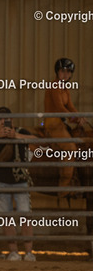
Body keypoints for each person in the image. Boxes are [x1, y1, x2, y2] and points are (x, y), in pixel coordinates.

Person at [0, 107, 37, 261]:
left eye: (6, 119)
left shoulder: (20, 131)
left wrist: (16, 136)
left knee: (25, 218)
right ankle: (14, 252)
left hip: (20, 181)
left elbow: (36, 140)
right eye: (0, 119)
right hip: (2, 182)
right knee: (6, 219)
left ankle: (29, 252)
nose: (3, 122)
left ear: (12, 120)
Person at [44, 58, 84, 193]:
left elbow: (70, 107)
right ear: (57, 72)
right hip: (52, 123)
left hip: (60, 122)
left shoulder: (65, 89)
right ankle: (64, 188)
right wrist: (74, 119)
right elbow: (60, 108)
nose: (66, 74)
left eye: (69, 71)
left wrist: (79, 116)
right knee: (70, 148)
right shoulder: (54, 86)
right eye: (63, 71)